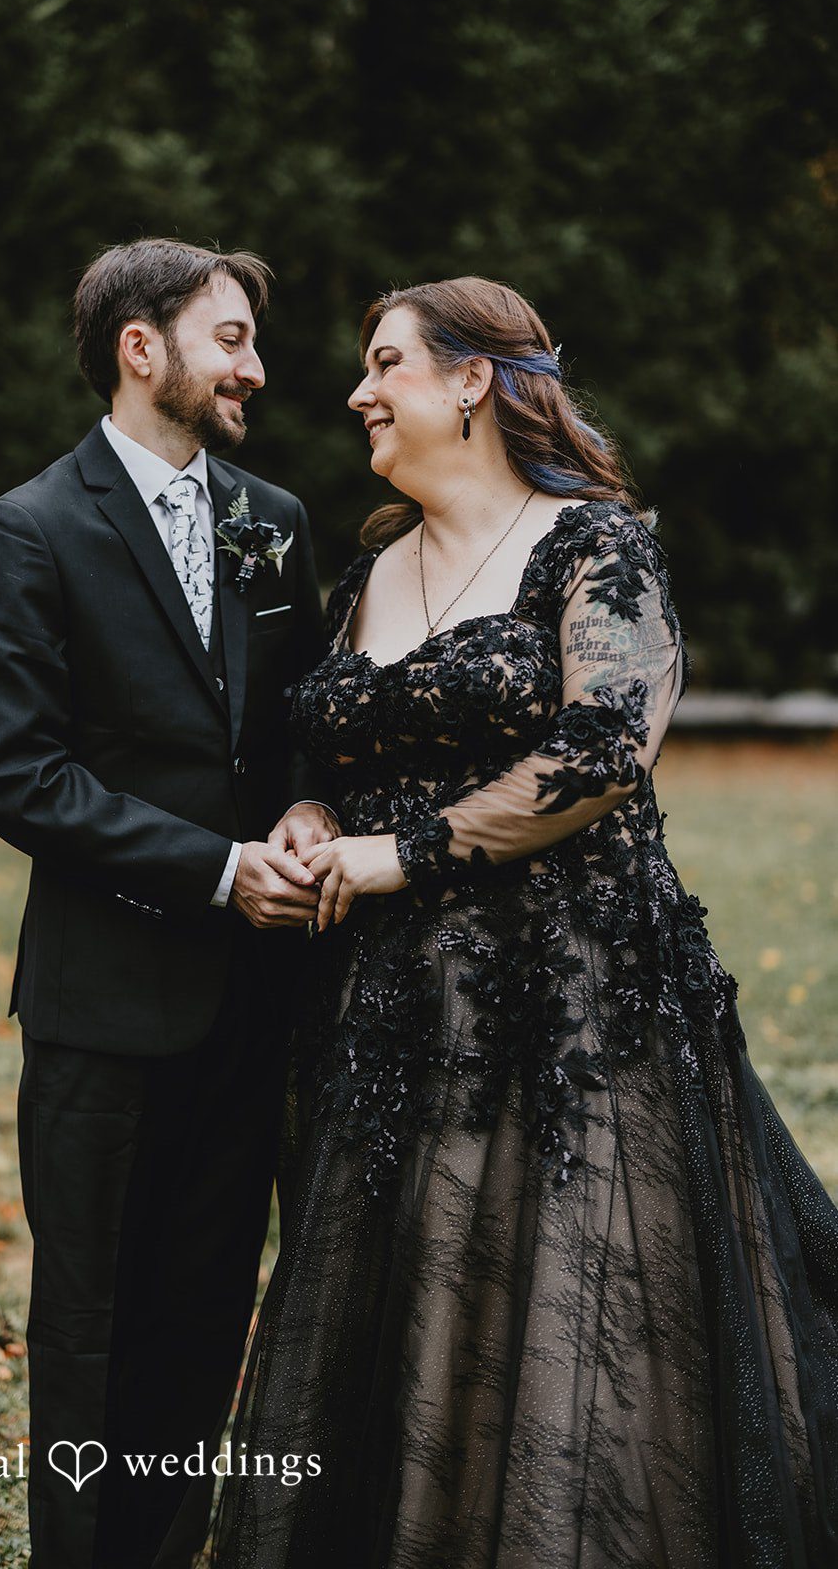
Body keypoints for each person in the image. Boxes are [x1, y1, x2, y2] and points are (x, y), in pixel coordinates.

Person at [211, 277, 838, 1568]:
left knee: (568, 1319)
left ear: (472, 381)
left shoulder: (596, 545)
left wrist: (405, 853)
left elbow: (606, 747)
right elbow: (334, 743)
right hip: (388, 1014)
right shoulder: (373, 567)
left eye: (386, 363)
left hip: (569, 1001)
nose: (359, 392)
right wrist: (315, 814)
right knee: (415, 1302)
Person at [0, 237, 338, 1569]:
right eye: (230, 339)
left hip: (252, 1008)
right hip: (105, 1011)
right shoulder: (31, 529)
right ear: (142, 348)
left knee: (202, 1321)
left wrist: (307, 810)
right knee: (92, 1330)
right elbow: (16, 774)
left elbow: (302, 721)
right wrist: (221, 868)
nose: (257, 368)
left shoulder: (273, 520)